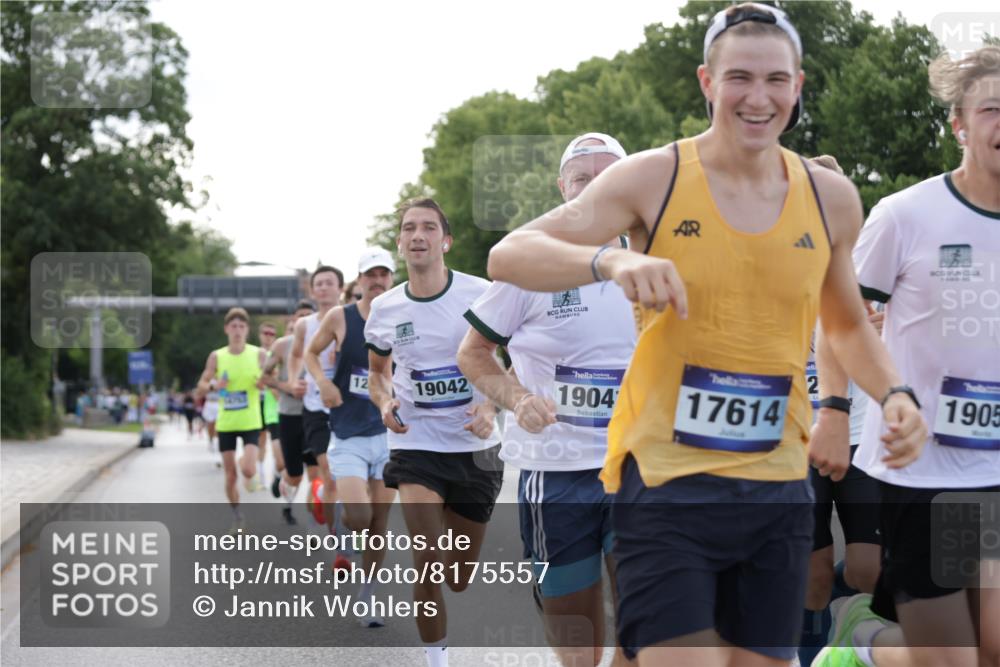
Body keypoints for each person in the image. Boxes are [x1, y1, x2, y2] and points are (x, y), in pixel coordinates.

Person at [487, 5, 927, 666]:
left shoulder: (831, 197)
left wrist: (892, 394)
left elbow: (845, 321)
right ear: (706, 82)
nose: (758, 96)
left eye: (776, 79)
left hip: (777, 482)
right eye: (739, 77)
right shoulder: (652, 177)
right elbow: (510, 253)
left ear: (798, 85)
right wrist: (612, 259)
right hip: (668, 480)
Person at [812, 45, 1000, 667]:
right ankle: (861, 645)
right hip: (929, 474)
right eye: (992, 109)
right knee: (952, 659)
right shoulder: (907, 216)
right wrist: (834, 410)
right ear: (959, 124)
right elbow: (839, 316)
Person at [458, 132, 635, 667]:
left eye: (610, 176)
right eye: (584, 179)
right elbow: (474, 354)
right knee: (577, 639)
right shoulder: (529, 262)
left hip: (641, 466)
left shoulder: (661, 257)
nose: (597, 188)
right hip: (556, 473)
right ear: (564, 189)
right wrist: (515, 398)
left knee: (648, 624)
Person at [365, 197, 502, 667]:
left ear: (445, 241)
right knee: (425, 558)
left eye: (427, 227)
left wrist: (488, 406)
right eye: (408, 228)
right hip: (415, 443)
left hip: (476, 449)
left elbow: (504, 361)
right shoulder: (384, 308)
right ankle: (436, 661)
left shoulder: (481, 294)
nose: (417, 235)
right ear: (400, 242)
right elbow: (377, 374)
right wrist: (385, 402)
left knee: (458, 576)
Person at [796, 156, 883, 667]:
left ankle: (849, 619)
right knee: (813, 575)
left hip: (861, 433)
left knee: (869, 568)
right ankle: (814, 656)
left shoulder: (870, 262)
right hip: (796, 439)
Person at [305, 246, 398, 627]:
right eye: (370, 275)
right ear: (359, 281)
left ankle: (368, 597)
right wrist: (323, 381)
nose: (377, 281)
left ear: (392, 279)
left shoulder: (404, 314)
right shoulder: (340, 318)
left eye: (384, 275)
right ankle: (343, 516)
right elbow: (311, 353)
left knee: (380, 523)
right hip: (347, 433)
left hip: (390, 435)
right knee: (361, 517)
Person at [288, 265, 350, 563]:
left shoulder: (352, 318)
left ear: (340, 287)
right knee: (331, 473)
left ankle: (322, 493)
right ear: (312, 291)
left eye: (330, 283)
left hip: (349, 408)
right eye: (319, 284)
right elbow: (298, 354)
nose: (324, 288)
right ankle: (340, 545)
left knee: (350, 480)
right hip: (315, 407)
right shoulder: (305, 325)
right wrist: (293, 381)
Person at [195, 307, 268, 531]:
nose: (237, 330)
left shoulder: (258, 354)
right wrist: (215, 385)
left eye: (242, 326)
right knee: (230, 475)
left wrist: (264, 383)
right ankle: (237, 516)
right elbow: (201, 387)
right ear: (226, 329)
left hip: (250, 421)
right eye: (233, 326)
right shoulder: (217, 356)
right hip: (226, 422)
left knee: (248, 470)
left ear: (247, 330)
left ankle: (244, 463)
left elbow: (272, 379)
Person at [262, 300, 318, 526]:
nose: (303, 320)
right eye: (299, 316)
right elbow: (264, 377)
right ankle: (281, 480)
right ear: (293, 320)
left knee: (317, 477)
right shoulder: (281, 346)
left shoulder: (326, 341)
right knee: (295, 475)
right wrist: (288, 387)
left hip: (316, 416)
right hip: (289, 415)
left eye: (308, 315)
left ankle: (315, 525)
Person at [256, 320, 282, 489]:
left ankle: (275, 474)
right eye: (265, 333)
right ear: (260, 335)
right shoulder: (254, 354)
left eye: (272, 334)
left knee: (276, 441)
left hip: (273, 401)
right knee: (261, 440)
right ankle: (261, 475)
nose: (268, 337)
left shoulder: (278, 354)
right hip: (257, 401)